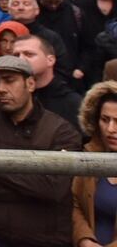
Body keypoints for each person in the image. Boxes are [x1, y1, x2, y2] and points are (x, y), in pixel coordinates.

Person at [0, 55, 82, 247]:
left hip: (44, 239)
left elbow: (53, 188)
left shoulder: (60, 130)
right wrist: (30, 186)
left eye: (9, 80)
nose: (0, 89)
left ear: (30, 84)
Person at [72, 81, 117, 247]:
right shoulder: (90, 156)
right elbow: (75, 203)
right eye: (105, 120)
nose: (110, 129)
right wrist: (84, 239)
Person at [14, 34, 82, 131]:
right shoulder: (5, 98)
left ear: (50, 60)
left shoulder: (72, 103)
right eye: (16, 55)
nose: (20, 60)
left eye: (29, 54)